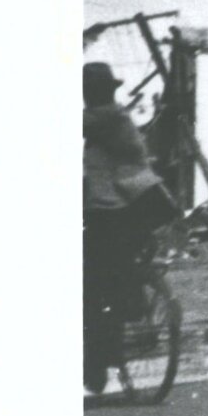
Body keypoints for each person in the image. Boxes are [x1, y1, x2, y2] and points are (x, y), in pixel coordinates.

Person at [82, 61, 168, 394]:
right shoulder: (113, 120)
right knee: (109, 287)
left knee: (91, 286)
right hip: (123, 214)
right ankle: (103, 361)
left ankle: (97, 366)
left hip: (112, 216)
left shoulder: (108, 118)